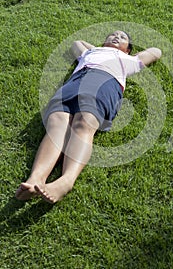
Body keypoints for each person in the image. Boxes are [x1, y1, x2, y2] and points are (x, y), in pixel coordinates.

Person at [15, 30, 162, 203]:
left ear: (128, 49)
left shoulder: (129, 61)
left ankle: (66, 181)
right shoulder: (90, 53)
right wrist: (99, 49)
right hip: (75, 82)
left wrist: (122, 53)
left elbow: (156, 51)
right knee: (57, 123)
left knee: (83, 123)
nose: (116, 37)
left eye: (123, 38)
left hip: (104, 83)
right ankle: (36, 179)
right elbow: (76, 43)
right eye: (113, 35)